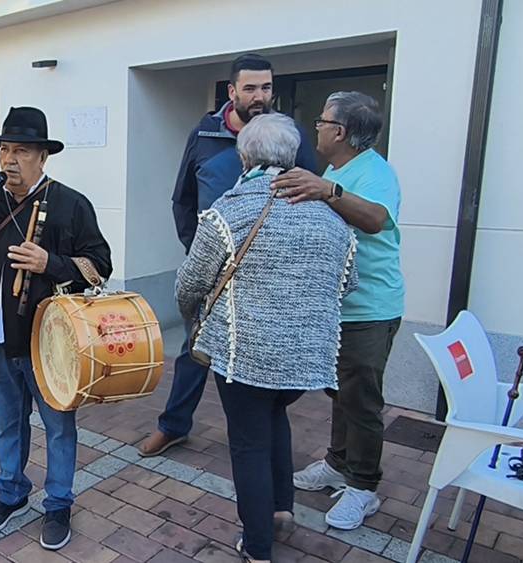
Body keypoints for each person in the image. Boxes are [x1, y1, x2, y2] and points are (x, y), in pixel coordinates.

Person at [178, 113, 357, 562]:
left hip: (245, 355)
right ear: (292, 156)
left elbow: (189, 283)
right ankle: (282, 511)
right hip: (305, 359)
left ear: (243, 156)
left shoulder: (230, 210)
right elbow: (347, 282)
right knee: (277, 422)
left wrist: (192, 316)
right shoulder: (332, 216)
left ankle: (257, 545)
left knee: (249, 444)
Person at [0, 107, 112, 551]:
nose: (9, 160)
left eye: (20, 151)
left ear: (42, 157)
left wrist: (49, 263)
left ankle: (57, 503)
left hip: (49, 341)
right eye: (4, 151)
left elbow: (99, 267)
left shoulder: (71, 204)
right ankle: (11, 494)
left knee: (58, 425)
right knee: (6, 421)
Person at [140, 53, 319, 458]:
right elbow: (182, 199)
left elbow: (312, 198)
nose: (260, 96)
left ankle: (265, 438)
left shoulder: (290, 136)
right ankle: (174, 425)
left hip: (266, 278)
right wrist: (196, 250)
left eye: (267, 87)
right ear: (232, 91)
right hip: (213, 271)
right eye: (251, 88)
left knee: (264, 361)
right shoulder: (204, 134)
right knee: (194, 349)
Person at [272, 92, 405, 531]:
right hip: (338, 306)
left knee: (362, 399)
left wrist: (328, 191)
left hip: (370, 308)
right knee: (340, 391)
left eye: (321, 122)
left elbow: (374, 219)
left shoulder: (373, 172)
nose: (318, 129)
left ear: (340, 132)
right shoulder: (337, 168)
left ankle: (364, 488)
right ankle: (336, 464)